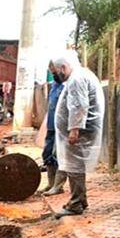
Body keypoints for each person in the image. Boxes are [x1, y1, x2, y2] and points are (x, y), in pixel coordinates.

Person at [52, 50, 105, 219]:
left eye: (56, 71)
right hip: (81, 129)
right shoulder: (82, 75)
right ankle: (81, 200)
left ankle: (75, 204)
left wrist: (74, 130)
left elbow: (79, 106)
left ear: (63, 67)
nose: (57, 75)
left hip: (79, 131)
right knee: (76, 167)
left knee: (73, 167)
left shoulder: (77, 79)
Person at [42, 61, 67, 195]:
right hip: (51, 125)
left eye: (55, 72)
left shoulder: (68, 85)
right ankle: (51, 183)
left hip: (62, 126)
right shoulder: (55, 85)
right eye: (52, 73)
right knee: (47, 154)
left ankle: (58, 185)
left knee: (59, 155)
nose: (54, 75)